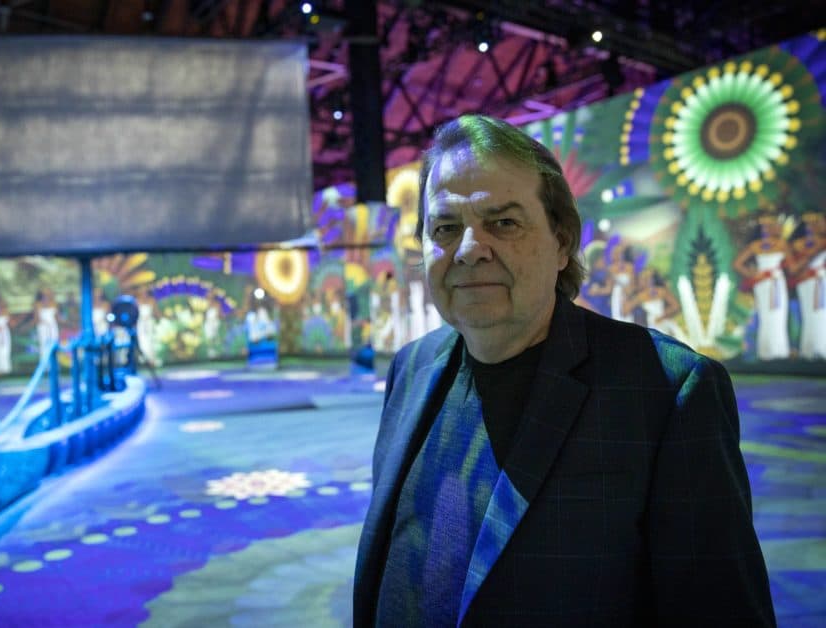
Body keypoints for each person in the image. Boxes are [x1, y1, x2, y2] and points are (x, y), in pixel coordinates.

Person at [354, 114, 774, 626]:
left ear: (561, 241)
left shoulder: (667, 393)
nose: (468, 249)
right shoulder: (411, 369)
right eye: (445, 227)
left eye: (503, 222)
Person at [733, 213, 792, 360]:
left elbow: (792, 266)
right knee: (766, 315)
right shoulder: (756, 245)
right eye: (765, 226)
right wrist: (753, 275)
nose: (769, 228)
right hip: (764, 283)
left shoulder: (781, 244)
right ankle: (767, 352)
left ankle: (779, 351)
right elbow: (737, 264)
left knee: (778, 314)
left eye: (770, 225)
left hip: (776, 282)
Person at [791, 211, 826, 359]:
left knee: (821, 314)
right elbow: (799, 263)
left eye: (817, 221)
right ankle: (810, 350)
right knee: (810, 314)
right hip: (808, 281)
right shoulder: (799, 243)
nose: (814, 226)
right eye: (810, 223)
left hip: (821, 279)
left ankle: (820, 349)